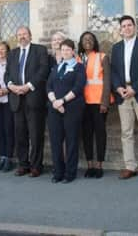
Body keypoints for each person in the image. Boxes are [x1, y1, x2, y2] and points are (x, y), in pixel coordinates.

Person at [110, 15, 138, 182]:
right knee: (126, 133)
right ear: (121, 29)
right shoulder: (116, 48)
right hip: (123, 95)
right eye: (124, 26)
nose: (127, 28)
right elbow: (113, 71)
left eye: (130, 25)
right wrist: (118, 87)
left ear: (134, 27)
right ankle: (130, 166)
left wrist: (134, 89)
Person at [5, 26, 49, 177]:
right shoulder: (12, 54)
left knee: (36, 134)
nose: (22, 37)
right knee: (20, 134)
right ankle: (23, 164)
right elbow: (7, 74)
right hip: (16, 98)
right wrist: (11, 86)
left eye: (24, 34)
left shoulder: (40, 50)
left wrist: (28, 86)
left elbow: (43, 70)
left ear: (30, 36)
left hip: (33, 98)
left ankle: (36, 166)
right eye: (19, 35)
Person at [47, 39, 86, 183]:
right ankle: (58, 172)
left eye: (68, 49)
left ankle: (70, 173)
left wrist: (62, 101)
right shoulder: (57, 67)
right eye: (63, 50)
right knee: (55, 142)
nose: (65, 52)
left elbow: (78, 87)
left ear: (73, 51)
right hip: (55, 109)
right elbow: (49, 86)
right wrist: (55, 102)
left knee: (71, 141)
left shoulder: (79, 67)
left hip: (72, 108)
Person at [77, 31, 110, 179]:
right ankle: (89, 165)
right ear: (81, 43)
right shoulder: (78, 59)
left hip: (98, 103)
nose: (88, 41)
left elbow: (108, 81)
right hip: (83, 103)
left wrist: (105, 102)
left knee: (100, 133)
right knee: (86, 134)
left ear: (94, 41)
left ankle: (99, 165)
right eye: (85, 39)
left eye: (90, 39)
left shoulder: (102, 57)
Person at [0, 41, 15, 172]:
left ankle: (9, 158)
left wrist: (6, 90)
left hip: (9, 101)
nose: (0, 51)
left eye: (3, 49)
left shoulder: (11, 65)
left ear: (7, 51)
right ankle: (2, 157)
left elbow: (16, 79)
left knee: (9, 130)